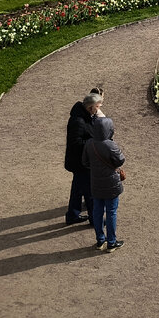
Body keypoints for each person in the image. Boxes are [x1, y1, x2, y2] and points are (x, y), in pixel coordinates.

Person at [83, 113, 126, 252]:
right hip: (111, 184)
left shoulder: (89, 143)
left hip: (96, 183)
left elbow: (85, 162)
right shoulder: (110, 144)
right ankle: (111, 243)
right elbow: (120, 160)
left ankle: (100, 240)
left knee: (97, 211)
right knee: (111, 212)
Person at [64, 88, 101, 225]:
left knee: (77, 189)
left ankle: (73, 215)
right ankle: (95, 219)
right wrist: (94, 142)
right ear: (90, 107)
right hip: (81, 163)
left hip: (79, 162)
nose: (98, 109)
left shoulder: (84, 116)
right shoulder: (78, 121)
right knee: (90, 192)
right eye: (97, 107)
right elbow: (76, 143)